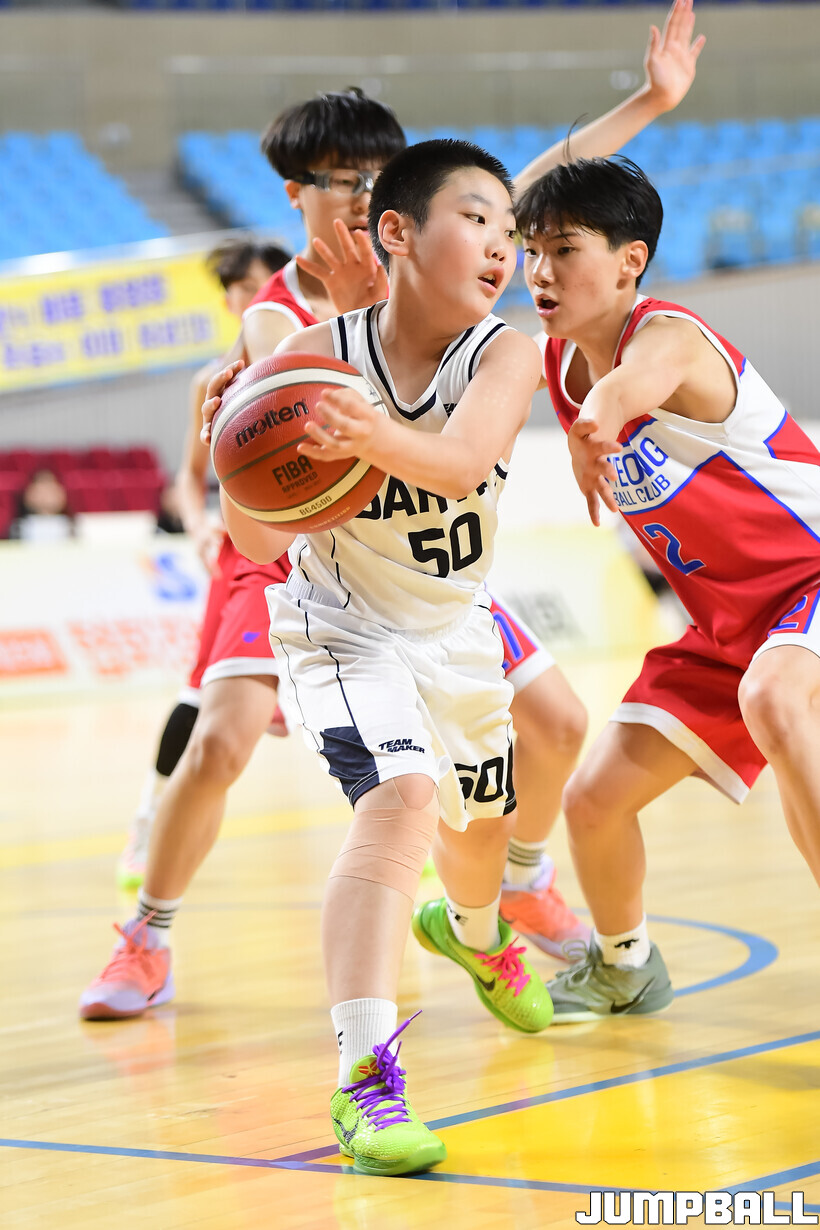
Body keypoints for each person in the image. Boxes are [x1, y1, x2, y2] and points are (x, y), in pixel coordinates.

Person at [83, 0, 703, 1019]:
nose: (368, 190)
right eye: (346, 178)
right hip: (305, 556)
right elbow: (289, 442)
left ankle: (510, 887)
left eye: (381, 174)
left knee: (554, 720)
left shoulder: (449, 268)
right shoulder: (283, 317)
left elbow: (535, 182)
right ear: (300, 194)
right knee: (225, 740)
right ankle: (146, 936)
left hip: (427, 557)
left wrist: (648, 102)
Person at [213, 139, 552, 1177]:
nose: (500, 247)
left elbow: (459, 462)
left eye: (508, 230)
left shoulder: (504, 353)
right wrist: (234, 461)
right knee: (401, 799)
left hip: (456, 631)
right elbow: (258, 541)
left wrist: (363, 436)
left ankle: (475, 931)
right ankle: (365, 1081)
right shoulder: (310, 360)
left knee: (478, 834)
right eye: (476, 220)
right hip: (343, 628)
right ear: (397, 232)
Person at [516, 154, 820, 1022]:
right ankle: (625, 966)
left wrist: (594, 426)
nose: (540, 272)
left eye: (563, 250)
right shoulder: (551, 360)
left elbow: (626, 389)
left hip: (811, 578)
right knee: (593, 801)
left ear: (630, 261)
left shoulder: (671, 337)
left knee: (774, 696)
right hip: (731, 628)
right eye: (532, 251)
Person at [116, 238, 290, 889]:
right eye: (241, 289)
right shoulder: (209, 381)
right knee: (197, 694)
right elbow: (190, 479)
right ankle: (148, 819)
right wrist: (197, 524)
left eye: (261, 285)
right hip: (244, 549)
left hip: (319, 545)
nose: (252, 298)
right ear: (229, 301)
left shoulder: (315, 359)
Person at [8, 468, 73, 543]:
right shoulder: (18, 528)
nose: (45, 496)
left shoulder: (73, 527)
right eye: (39, 491)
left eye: (50, 490)